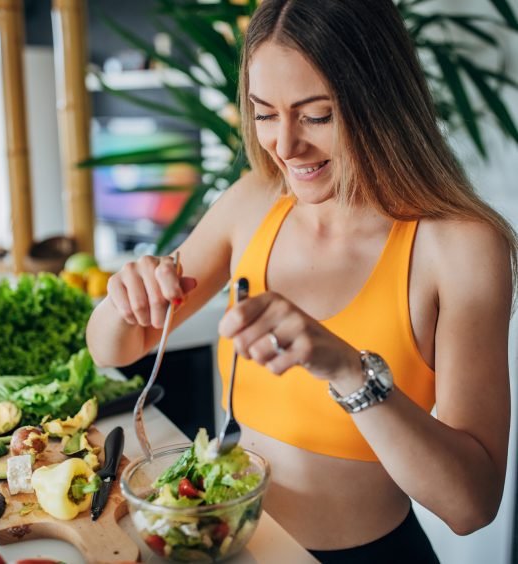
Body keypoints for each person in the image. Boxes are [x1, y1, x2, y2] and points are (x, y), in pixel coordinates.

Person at [86, 0, 516, 562]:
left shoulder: (458, 247)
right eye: (265, 114)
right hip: (236, 549)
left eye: (316, 116)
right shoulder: (252, 204)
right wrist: (128, 295)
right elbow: (112, 346)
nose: (285, 146)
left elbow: (471, 506)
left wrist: (346, 369)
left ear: (380, 102)